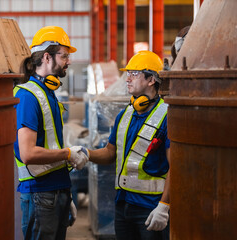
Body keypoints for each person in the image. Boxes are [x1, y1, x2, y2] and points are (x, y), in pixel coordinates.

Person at [81, 51, 171, 240]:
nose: (127, 79)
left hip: (151, 208)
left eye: (134, 74)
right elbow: (109, 153)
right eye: (127, 73)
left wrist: (165, 205)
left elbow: (176, 167)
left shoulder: (167, 116)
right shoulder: (125, 115)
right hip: (123, 206)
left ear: (151, 80)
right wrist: (85, 154)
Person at [13, 26, 88, 240]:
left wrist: (65, 192)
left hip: (55, 190)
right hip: (40, 193)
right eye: (64, 56)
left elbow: (50, 144)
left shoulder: (48, 93)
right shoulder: (28, 95)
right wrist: (68, 154)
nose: (69, 61)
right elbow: (28, 153)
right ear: (47, 57)